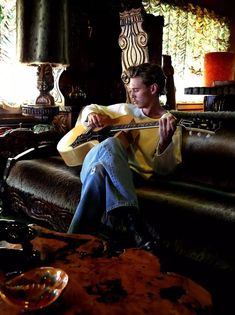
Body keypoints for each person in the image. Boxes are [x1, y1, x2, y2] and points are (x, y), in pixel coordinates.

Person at [68, 63, 182, 251]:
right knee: (111, 144)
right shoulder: (126, 110)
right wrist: (91, 115)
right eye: (130, 90)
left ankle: (72, 243)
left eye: (136, 90)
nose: (132, 95)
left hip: (124, 176)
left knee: (99, 173)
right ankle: (134, 224)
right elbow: (90, 107)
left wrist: (164, 142)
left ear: (153, 89)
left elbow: (164, 170)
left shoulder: (169, 124)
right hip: (91, 161)